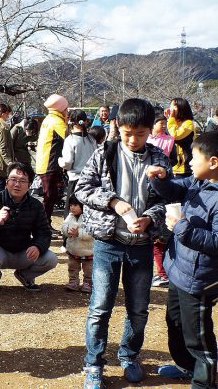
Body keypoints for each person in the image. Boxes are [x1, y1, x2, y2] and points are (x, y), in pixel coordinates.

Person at [75, 98, 171, 388]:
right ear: (118, 126)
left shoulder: (159, 159)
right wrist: (114, 202)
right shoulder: (105, 153)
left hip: (141, 243)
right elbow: (83, 188)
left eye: (140, 134)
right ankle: (94, 363)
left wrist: (151, 218)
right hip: (109, 242)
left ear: (149, 132)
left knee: (139, 308)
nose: (133, 140)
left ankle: (129, 355)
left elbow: (166, 199)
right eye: (128, 133)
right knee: (100, 307)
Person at [146, 131, 218, 387]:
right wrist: (162, 179)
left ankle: (205, 382)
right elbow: (176, 189)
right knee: (175, 322)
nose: (188, 161)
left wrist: (181, 228)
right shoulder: (199, 181)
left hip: (200, 278)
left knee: (197, 336)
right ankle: (186, 367)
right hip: (179, 269)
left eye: (194, 157)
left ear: (213, 162)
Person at [0, 161, 58, 293]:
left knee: (51, 259)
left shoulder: (35, 205)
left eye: (22, 181)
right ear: (7, 181)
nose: (17, 184)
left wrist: (38, 246)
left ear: (30, 185)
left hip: (22, 251)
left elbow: (44, 232)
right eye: (13, 179)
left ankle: (25, 276)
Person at [147, 109, 176, 288]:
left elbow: (171, 161)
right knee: (158, 245)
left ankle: (164, 274)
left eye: (165, 123)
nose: (163, 126)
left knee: (159, 244)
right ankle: (163, 273)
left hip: (161, 208)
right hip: (154, 203)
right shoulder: (149, 141)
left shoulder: (168, 143)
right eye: (160, 123)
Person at [35, 94, 68, 222]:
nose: (67, 111)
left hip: (45, 162)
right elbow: (69, 138)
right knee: (49, 197)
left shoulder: (49, 118)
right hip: (50, 163)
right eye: (65, 108)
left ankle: (45, 223)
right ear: (60, 108)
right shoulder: (56, 121)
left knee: (51, 196)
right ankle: (44, 224)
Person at [58, 109, 97, 218]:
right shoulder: (91, 139)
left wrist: (59, 161)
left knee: (72, 211)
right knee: (87, 210)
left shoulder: (70, 140)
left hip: (76, 180)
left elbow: (67, 162)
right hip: (91, 180)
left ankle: (69, 234)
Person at [61, 195, 93, 293]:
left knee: (89, 270)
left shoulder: (89, 217)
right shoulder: (70, 217)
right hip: (73, 250)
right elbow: (63, 227)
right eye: (70, 205)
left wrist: (79, 233)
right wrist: (67, 231)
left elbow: (92, 233)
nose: (72, 208)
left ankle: (88, 283)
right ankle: (73, 281)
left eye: (75, 205)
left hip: (88, 251)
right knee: (72, 267)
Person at [167, 97, 195, 178]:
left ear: (181, 108)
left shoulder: (188, 123)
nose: (170, 108)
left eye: (173, 106)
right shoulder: (173, 122)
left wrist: (171, 119)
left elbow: (175, 135)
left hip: (184, 167)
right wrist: (168, 119)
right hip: (173, 166)